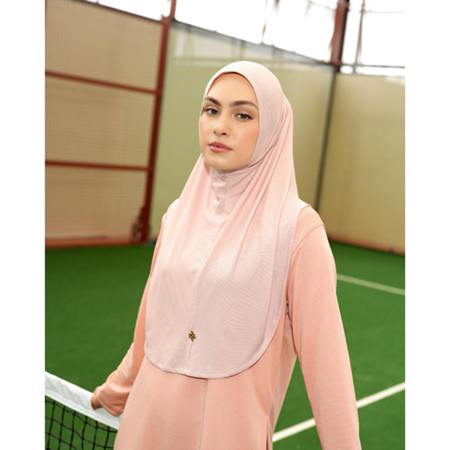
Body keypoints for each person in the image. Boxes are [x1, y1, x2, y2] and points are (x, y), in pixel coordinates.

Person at [91, 60, 362, 450]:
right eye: (211, 110)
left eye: (243, 115)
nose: (220, 126)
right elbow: (152, 326)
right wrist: (117, 390)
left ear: (272, 129)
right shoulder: (176, 216)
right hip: (144, 428)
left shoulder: (298, 230)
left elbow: (327, 363)